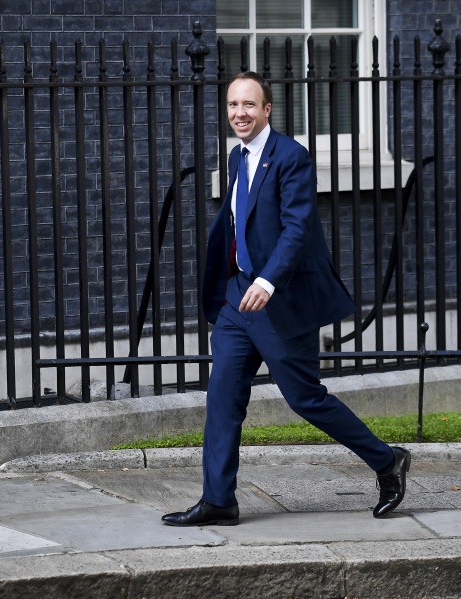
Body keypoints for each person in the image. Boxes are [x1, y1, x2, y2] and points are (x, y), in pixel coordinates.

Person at [162, 71, 410, 527]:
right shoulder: (237, 158)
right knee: (222, 396)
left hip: (280, 300)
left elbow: (297, 229)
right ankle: (218, 500)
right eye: (234, 105)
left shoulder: (291, 157)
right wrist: (234, 285)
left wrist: (269, 281)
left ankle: (387, 460)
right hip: (239, 299)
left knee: (304, 398)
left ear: (267, 109)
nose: (240, 113)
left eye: (249, 105)